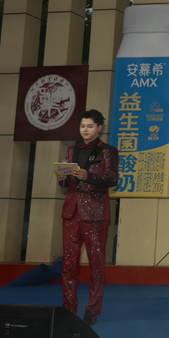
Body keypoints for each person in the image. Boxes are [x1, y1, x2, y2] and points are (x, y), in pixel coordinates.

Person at [57, 109, 118, 326]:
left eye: (90, 126)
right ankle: (68, 309)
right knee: (68, 264)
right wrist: (62, 177)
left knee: (96, 264)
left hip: (95, 214)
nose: (85, 130)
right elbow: (66, 183)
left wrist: (89, 176)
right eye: (82, 126)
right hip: (71, 212)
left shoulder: (108, 151)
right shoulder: (71, 150)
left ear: (99, 128)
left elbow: (112, 179)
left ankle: (92, 311)